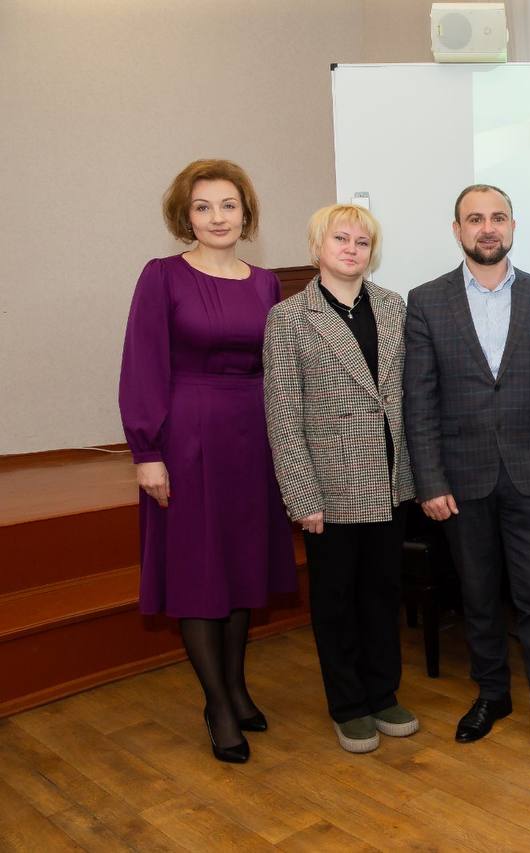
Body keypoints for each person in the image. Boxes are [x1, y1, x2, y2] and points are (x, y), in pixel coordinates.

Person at [404, 184, 530, 770]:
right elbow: (418, 402)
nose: (488, 228)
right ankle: (492, 695)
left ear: (512, 226)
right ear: (457, 229)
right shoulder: (426, 301)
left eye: (498, 217)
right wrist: (430, 481)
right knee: (478, 597)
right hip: (461, 479)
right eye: (475, 218)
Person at [119, 159, 297, 763]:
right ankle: (218, 705)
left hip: (253, 436)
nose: (217, 217)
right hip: (187, 437)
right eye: (203, 207)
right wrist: (147, 452)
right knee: (199, 571)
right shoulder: (162, 276)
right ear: (185, 216)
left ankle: (238, 688)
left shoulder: (266, 283)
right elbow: (143, 364)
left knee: (242, 567)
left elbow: (277, 370)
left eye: (228, 205)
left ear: (245, 213)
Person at [263, 204, 419, 753]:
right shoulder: (289, 318)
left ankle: (383, 694)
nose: (351, 249)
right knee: (336, 601)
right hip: (329, 488)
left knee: (383, 594)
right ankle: (349, 705)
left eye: (362, 241)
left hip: (391, 480)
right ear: (317, 248)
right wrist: (301, 495)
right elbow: (283, 416)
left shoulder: (394, 307)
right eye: (340, 239)